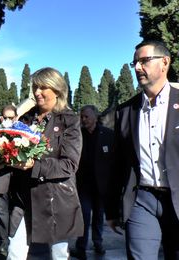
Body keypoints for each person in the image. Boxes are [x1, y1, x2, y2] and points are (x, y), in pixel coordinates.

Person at [106, 40, 179, 259]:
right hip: (142, 202)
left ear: (164, 62)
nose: (137, 67)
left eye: (144, 60)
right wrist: (111, 210)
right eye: (134, 63)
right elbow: (118, 164)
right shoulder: (125, 111)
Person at [11, 67, 84, 259]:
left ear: (57, 89)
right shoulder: (26, 119)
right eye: (35, 87)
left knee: (58, 255)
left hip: (56, 200)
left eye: (43, 87)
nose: (37, 92)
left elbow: (69, 164)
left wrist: (34, 166)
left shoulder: (69, 120)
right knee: (15, 253)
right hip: (26, 198)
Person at [70, 105, 114, 260]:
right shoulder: (78, 135)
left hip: (100, 185)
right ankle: (80, 247)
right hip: (83, 185)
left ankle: (98, 243)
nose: (83, 119)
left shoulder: (108, 135)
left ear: (95, 117)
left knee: (98, 216)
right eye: (82, 117)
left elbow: (113, 160)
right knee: (84, 217)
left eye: (86, 117)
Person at [0, 105, 18, 256]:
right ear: (1, 117)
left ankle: (14, 240)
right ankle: (4, 241)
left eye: (11, 117)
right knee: (2, 212)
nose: (8, 120)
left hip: (17, 179)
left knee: (16, 212)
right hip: (0, 177)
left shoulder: (23, 133)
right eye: (5, 117)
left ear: (15, 117)